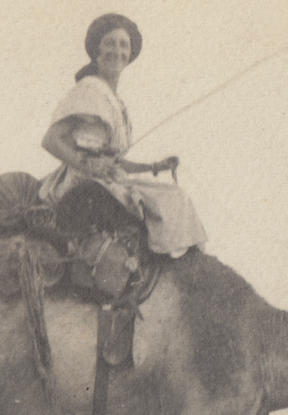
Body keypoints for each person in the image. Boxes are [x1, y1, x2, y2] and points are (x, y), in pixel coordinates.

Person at [38, 14, 208, 258]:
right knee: (166, 201)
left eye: (123, 45)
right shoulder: (88, 89)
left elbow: (114, 162)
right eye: (110, 43)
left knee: (175, 195)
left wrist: (154, 166)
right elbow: (50, 140)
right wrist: (86, 164)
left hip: (109, 180)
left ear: (129, 55)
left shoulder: (116, 103)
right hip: (83, 183)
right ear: (97, 51)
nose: (117, 51)